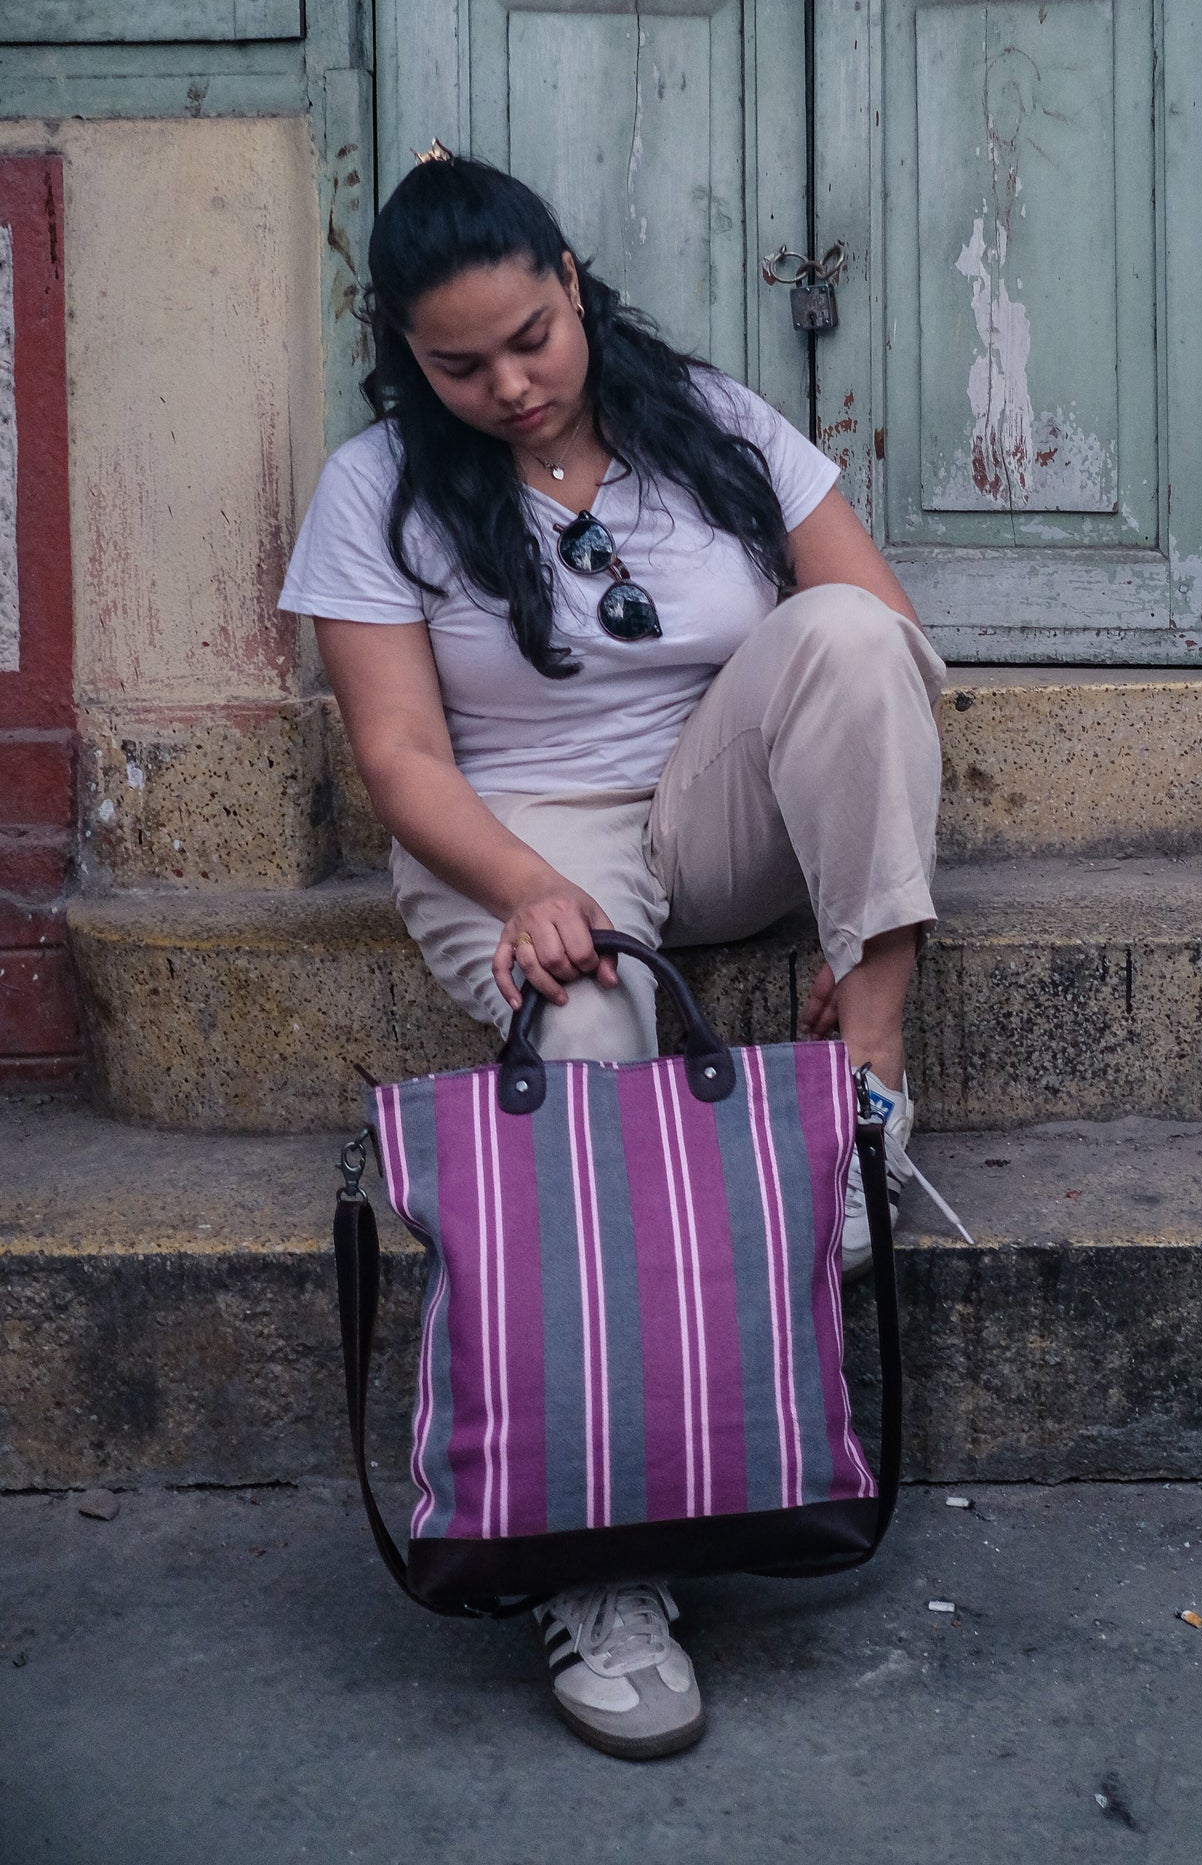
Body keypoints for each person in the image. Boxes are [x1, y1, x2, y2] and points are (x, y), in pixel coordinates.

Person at [279, 149, 945, 1759]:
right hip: (514, 833)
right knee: (580, 1050)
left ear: (572, 283)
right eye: (461, 364)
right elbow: (400, 759)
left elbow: (882, 637)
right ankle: (599, 1572)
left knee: (849, 636)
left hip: (711, 810)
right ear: (406, 354)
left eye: (531, 337)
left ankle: (861, 1106)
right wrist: (524, 888)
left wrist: (855, 936)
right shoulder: (375, 488)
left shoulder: (707, 418)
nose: (509, 384)